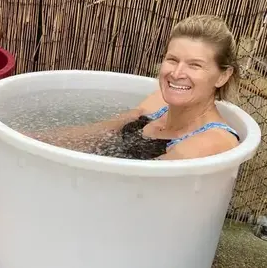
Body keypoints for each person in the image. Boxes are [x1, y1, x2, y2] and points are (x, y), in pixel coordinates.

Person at [29, 15, 242, 160]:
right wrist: (32, 139)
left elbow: (137, 190)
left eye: (195, 65)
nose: (177, 73)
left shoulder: (211, 141)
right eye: (172, 60)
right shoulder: (159, 102)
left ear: (223, 76)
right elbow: (99, 132)